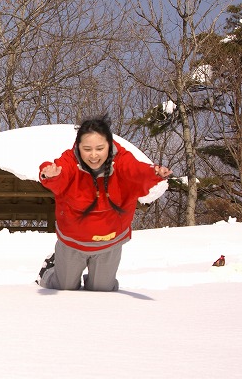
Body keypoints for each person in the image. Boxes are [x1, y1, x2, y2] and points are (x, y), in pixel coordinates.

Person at [37, 114, 172, 291]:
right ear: (78, 147)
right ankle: (49, 269)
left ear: (109, 145)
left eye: (99, 148)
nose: (93, 155)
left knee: (102, 290)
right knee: (64, 287)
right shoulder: (70, 161)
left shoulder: (122, 160)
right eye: (87, 149)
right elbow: (61, 174)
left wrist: (153, 173)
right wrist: (51, 175)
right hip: (73, 242)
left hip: (109, 242)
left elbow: (136, 171)